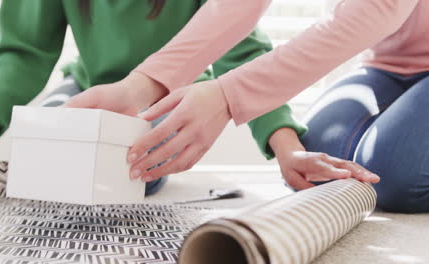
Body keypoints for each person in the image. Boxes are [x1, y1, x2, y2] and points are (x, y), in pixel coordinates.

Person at [120, 0, 427, 213]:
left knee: (395, 177)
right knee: (320, 161)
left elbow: (377, 11)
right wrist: (142, 83)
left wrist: (227, 95)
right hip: (387, 65)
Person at [0, 0, 275, 195]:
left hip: (171, 98)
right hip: (89, 87)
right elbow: (23, 47)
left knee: (129, 164)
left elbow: (242, 49)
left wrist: (282, 140)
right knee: (47, 145)